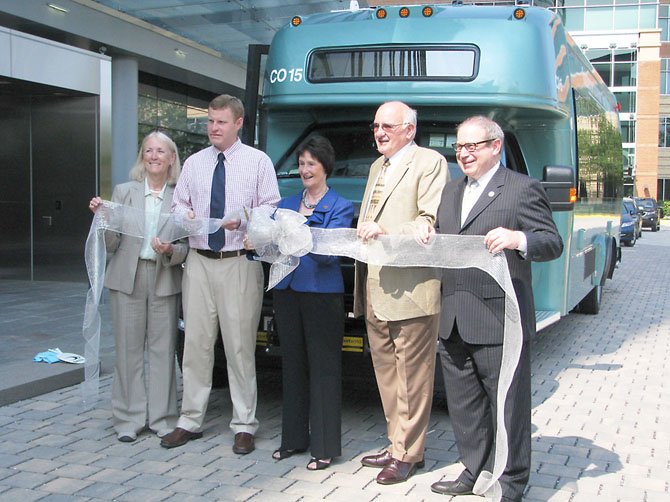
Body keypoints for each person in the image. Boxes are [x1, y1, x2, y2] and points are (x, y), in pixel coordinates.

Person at [419, 116, 563, 500]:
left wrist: (518, 238)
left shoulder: (521, 189)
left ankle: (511, 482)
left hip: (500, 321)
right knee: (465, 407)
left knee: (508, 406)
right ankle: (474, 469)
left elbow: (552, 243)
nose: (463, 154)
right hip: (454, 318)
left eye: (472, 146)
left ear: (495, 146)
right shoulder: (450, 192)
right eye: (459, 147)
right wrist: (428, 231)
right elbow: (449, 242)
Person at [161, 94, 280, 454]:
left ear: (239, 123)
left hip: (238, 263)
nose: (213, 128)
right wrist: (186, 217)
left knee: (240, 346)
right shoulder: (195, 164)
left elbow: (271, 208)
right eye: (210, 121)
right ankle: (190, 420)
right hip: (197, 261)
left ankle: (244, 423)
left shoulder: (258, 162)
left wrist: (244, 219)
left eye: (221, 122)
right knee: (195, 345)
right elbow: (178, 204)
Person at [355, 101, 449, 484]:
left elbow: (428, 221)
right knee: (387, 373)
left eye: (388, 126)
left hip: (411, 286)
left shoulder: (429, 162)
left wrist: (385, 233)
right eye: (376, 125)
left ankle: (409, 453)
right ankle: (398, 443)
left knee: (412, 375)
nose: (379, 132)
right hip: (376, 284)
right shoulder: (378, 166)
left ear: (409, 129)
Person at [88, 131, 186, 443]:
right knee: (128, 351)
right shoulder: (124, 191)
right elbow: (112, 244)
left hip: (164, 277)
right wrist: (104, 220)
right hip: (126, 279)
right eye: (148, 150)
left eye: (160, 151)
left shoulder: (181, 195)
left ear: (172, 158)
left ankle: (162, 418)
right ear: (142, 157)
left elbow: (186, 246)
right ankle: (128, 419)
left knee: (162, 351)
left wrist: (170, 251)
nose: (154, 156)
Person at [270, 136, 354, 471]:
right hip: (287, 291)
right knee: (292, 367)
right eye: (301, 164)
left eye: (311, 164)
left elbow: (328, 255)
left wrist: (300, 235)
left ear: (325, 168)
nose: (305, 170)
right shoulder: (286, 203)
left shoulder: (341, 205)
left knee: (324, 370)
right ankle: (292, 440)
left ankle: (324, 447)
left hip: (322, 294)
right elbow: (272, 244)